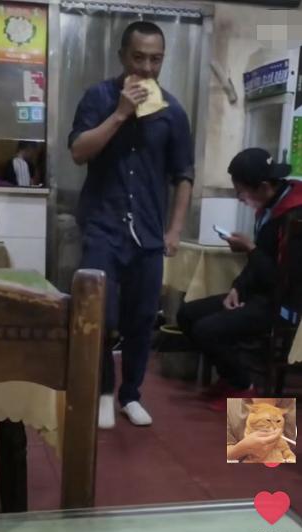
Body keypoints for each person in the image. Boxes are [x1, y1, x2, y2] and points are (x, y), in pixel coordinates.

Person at [68, 21, 194, 429]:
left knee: (141, 320)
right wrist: (120, 113)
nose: (147, 67)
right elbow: (78, 152)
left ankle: (131, 395)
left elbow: (183, 175)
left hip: (149, 234)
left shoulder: (173, 112)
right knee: (100, 317)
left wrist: (174, 230)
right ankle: (104, 391)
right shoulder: (99, 97)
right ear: (123, 56)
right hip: (103, 227)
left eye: (156, 59)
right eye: (139, 57)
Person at [177, 147, 302, 411]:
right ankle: (233, 380)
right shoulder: (270, 208)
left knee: (207, 329)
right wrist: (238, 288)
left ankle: (245, 390)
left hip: (284, 304)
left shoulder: (295, 216)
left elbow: (282, 280)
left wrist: (250, 249)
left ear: (264, 186)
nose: (239, 199)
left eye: (241, 192)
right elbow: (259, 265)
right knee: (187, 314)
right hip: (260, 295)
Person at [227, 397, 296, 462]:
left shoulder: (291, 402)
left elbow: (288, 449)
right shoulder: (230, 404)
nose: (275, 426)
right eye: (268, 420)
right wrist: (242, 449)